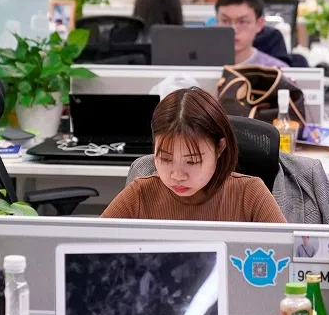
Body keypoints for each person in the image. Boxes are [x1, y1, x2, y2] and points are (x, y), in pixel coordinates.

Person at [101, 87, 287, 223]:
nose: (177, 175)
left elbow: (287, 260)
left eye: (192, 161)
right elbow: (90, 249)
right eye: (165, 159)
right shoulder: (141, 193)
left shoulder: (250, 193)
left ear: (220, 147)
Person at [216, 0, 288, 68]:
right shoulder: (202, 67)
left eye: (242, 22)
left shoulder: (276, 71)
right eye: (225, 21)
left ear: (259, 24)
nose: (233, 29)